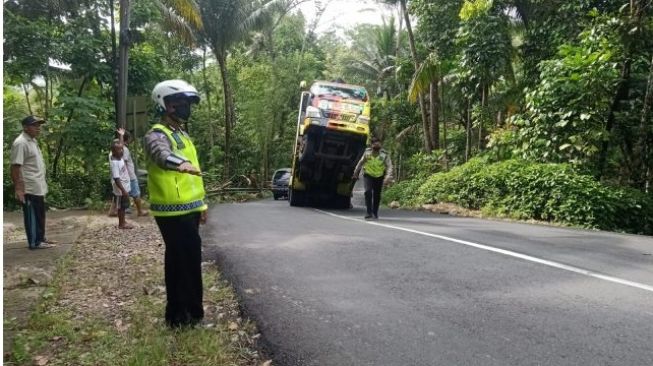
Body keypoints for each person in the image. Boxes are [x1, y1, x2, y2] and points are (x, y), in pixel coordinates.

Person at [143, 79, 207, 328]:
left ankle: (191, 314)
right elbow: (160, 155)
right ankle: (179, 317)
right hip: (171, 211)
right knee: (181, 262)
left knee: (189, 260)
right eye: (179, 102)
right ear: (165, 104)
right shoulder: (156, 134)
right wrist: (179, 163)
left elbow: (195, 176)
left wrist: (202, 207)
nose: (184, 107)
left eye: (187, 103)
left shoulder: (182, 134)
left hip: (189, 210)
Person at [10, 115, 57, 249]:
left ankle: (41, 238)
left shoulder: (31, 141)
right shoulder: (21, 143)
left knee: (39, 213)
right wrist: (18, 188)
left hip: (37, 185)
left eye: (39, 125)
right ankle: (34, 242)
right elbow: (15, 167)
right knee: (32, 215)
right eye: (35, 125)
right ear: (25, 127)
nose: (38, 128)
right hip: (29, 186)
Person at [108, 128, 149, 217]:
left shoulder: (113, 151)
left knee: (117, 195)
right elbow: (125, 164)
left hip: (118, 178)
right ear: (128, 139)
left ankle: (112, 211)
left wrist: (121, 135)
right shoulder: (123, 150)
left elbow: (121, 145)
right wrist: (128, 177)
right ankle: (139, 211)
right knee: (135, 194)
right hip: (127, 177)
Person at [353, 136, 393, 220]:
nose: (377, 145)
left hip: (379, 176)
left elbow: (389, 166)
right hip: (368, 175)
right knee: (368, 192)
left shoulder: (384, 154)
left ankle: (375, 212)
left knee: (377, 195)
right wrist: (356, 173)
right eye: (375, 143)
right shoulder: (367, 153)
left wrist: (388, 176)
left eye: (378, 143)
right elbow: (360, 163)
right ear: (371, 145)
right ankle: (369, 212)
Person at [110, 140, 133, 229]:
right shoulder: (115, 162)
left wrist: (121, 136)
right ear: (114, 151)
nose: (122, 151)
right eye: (119, 150)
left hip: (124, 187)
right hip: (120, 190)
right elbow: (116, 178)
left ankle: (123, 220)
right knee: (121, 207)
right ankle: (121, 224)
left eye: (122, 149)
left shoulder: (120, 157)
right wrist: (123, 190)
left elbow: (121, 145)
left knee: (124, 205)